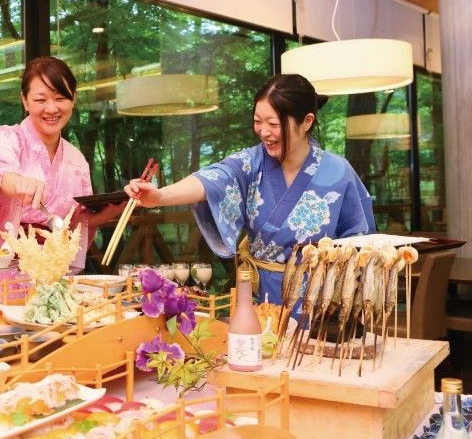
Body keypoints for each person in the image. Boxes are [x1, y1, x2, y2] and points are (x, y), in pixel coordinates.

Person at [124, 74, 375, 304]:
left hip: (317, 304)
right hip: (258, 299)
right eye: (257, 121)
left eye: (273, 124)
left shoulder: (339, 172)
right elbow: (212, 179)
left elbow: (360, 245)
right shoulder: (251, 163)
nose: (264, 132)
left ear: (307, 121)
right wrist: (160, 196)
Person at [0, 56, 123, 277]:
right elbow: (3, 175)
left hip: (52, 270)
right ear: (25, 101)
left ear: (73, 98)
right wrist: (20, 184)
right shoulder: (5, 138)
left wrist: (114, 210)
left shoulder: (76, 159)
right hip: (4, 264)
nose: (52, 108)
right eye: (40, 100)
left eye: (60, 98)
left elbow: (74, 226)